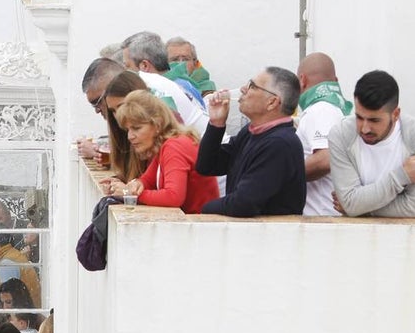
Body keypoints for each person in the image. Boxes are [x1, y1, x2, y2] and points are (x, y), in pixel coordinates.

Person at [198, 67, 306, 216]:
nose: (243, 89)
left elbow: (243, 203)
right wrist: (216, 124)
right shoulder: (251, 132)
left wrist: (204, 209)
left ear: (272, 102)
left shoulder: (280, 144)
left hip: (273, 231)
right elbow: (207, 166)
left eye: (252, 86)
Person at [329, 70, 415, 218]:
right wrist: (401, 176)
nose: (365, 128)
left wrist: (360, 208)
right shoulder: (341, 135)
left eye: (374, 120)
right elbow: (350, 203)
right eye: (359, 117)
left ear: (396, 114)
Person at [106, 90, 219, 213]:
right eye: (128, 129)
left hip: (199, 223)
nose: (130, 136)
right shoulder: (167, 144)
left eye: (136, 128)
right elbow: (146, 180)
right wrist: (134, 185)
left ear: (157, 125)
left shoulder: (175, 146)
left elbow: (174, 197)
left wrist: (129, 194)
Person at [295, 52, 353, 216]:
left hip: (321, 217)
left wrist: (283, 175)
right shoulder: (336, 109)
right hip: (327, 215)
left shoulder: (321, 109)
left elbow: (325, 159)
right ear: (336, 81)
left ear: (302, 80)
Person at [121, 31, 209, 134]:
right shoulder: (183, 83)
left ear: (144, 66)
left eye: (127, 66)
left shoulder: (159, 92)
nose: (124, 72)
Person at [96, 71, 151, 188]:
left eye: (121, 107)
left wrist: (127, 190)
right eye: (113, 111)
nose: (117, 115)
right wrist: (119, 180)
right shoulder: (124, 137)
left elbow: (171, 193)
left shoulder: (160, 139)